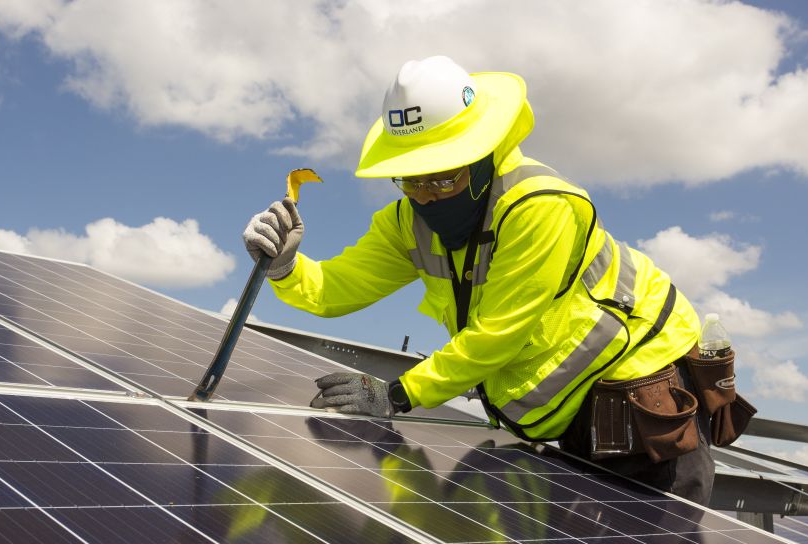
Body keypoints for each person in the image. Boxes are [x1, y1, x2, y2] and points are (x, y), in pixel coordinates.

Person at [242, 56, 715, 504]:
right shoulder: (407, 221)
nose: (427, 196)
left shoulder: (540, 206)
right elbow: (337, 287)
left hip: (642, 398)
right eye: (411, 179)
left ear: (483, 155)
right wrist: (284, 266)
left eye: (445, 178)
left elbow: (499, 332)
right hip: (572, 416)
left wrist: (397, 394)